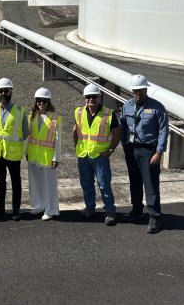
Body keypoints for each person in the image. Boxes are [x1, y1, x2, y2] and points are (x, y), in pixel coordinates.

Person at [120, 74, 169, 234]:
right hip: (132, 149)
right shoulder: (126, 106)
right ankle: (137, 210)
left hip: (149, 151)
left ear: (145, 89)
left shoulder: (157, 107)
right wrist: (125, 145)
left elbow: (163, 130)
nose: (137, 93)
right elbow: (123, 127)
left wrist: (159, 152)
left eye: (140, 90)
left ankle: (155, 216)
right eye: (135, 90)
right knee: (134, 181)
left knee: (151, 184)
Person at [73, 84, 121, 226]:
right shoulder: (79, 112)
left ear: (99, 97)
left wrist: (111, 150)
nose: (91, 99)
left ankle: (110, 212)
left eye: (94, 96)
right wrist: (77, 147)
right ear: (84, 98)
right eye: (88, 97)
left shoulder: (108, 113)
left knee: (104, 184)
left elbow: (117, 133)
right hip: (83, 155)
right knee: (86, 184)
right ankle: (90, 208)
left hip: (101, 155)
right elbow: (75, 130)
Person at [0, 78, 29, 220]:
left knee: (15, 182)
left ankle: (16, 209)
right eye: (0, 91)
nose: (3, 93)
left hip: (13, 153)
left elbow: (25, 133)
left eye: (6, 90)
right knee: (0, 180)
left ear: (11, 91)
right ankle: (0, 206)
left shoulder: (19, 111)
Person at [27, 88, 62, 220]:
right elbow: (29, 136)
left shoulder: (55, 118)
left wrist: (56, 157)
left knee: (49, 185)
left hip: (47, 156)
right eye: (38, 101)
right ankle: (39, 205)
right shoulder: (32, 116)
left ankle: (50, 209)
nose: (41, 103)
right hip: (33, 154)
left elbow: (58, 140)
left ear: (48, 102)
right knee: (35, 182)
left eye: (44, 101)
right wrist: (26, 152)